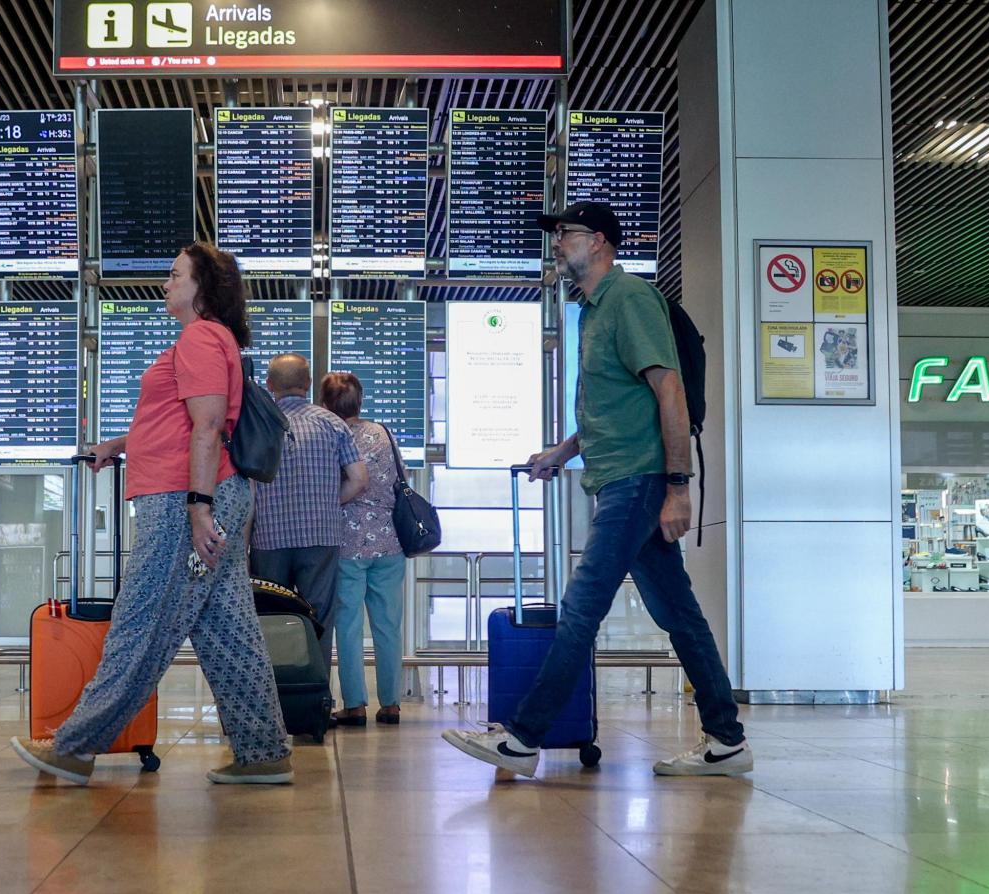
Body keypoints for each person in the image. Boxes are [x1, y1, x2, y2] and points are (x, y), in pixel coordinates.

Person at [442, 201, 751, 778]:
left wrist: (679, 487)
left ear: (602, 242)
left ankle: (523, 738)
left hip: (638, 482)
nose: (557, 244)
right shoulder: (594, 311)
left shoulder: (629, 300)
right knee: (679, 614)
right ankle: (726, 739)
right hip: (621, 478)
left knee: (581, 608)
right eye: (556, 235)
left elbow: (670, 392)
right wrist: (564, 451)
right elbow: (618, 406)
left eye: (567, 234)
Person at [11, 242, 292, 786]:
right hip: (203, 495)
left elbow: (209, 428)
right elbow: (180, 422)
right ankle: (263, 752)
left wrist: (199, 507)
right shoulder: (214, 340)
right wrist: (119, 445)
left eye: (175, 275)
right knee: (226, 628)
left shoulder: (200, 337)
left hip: (185, 503)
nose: (166, 283)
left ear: (202, 288)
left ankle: (75, 747)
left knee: (142, 621)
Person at [250, 354, 368, 665]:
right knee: (318, 620)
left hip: (267, 539)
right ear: (308, 384)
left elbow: (245, 486)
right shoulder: (332, 424)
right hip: (320, 537)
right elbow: (358, 480)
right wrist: (328, 502)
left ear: (270, 384)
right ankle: (316, 703)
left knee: (270, 620)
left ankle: (275, 700)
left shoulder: (258, 423)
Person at [319, 372, 407, 727]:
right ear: (360, 401)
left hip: (348, 545)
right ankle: (391, 704)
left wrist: (330, 506)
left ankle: (354, 704)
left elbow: (344, 482)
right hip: (390, 542)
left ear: (326, 405)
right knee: (388, 626)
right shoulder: (384, 433)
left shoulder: (332, 436)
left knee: (349, 625)